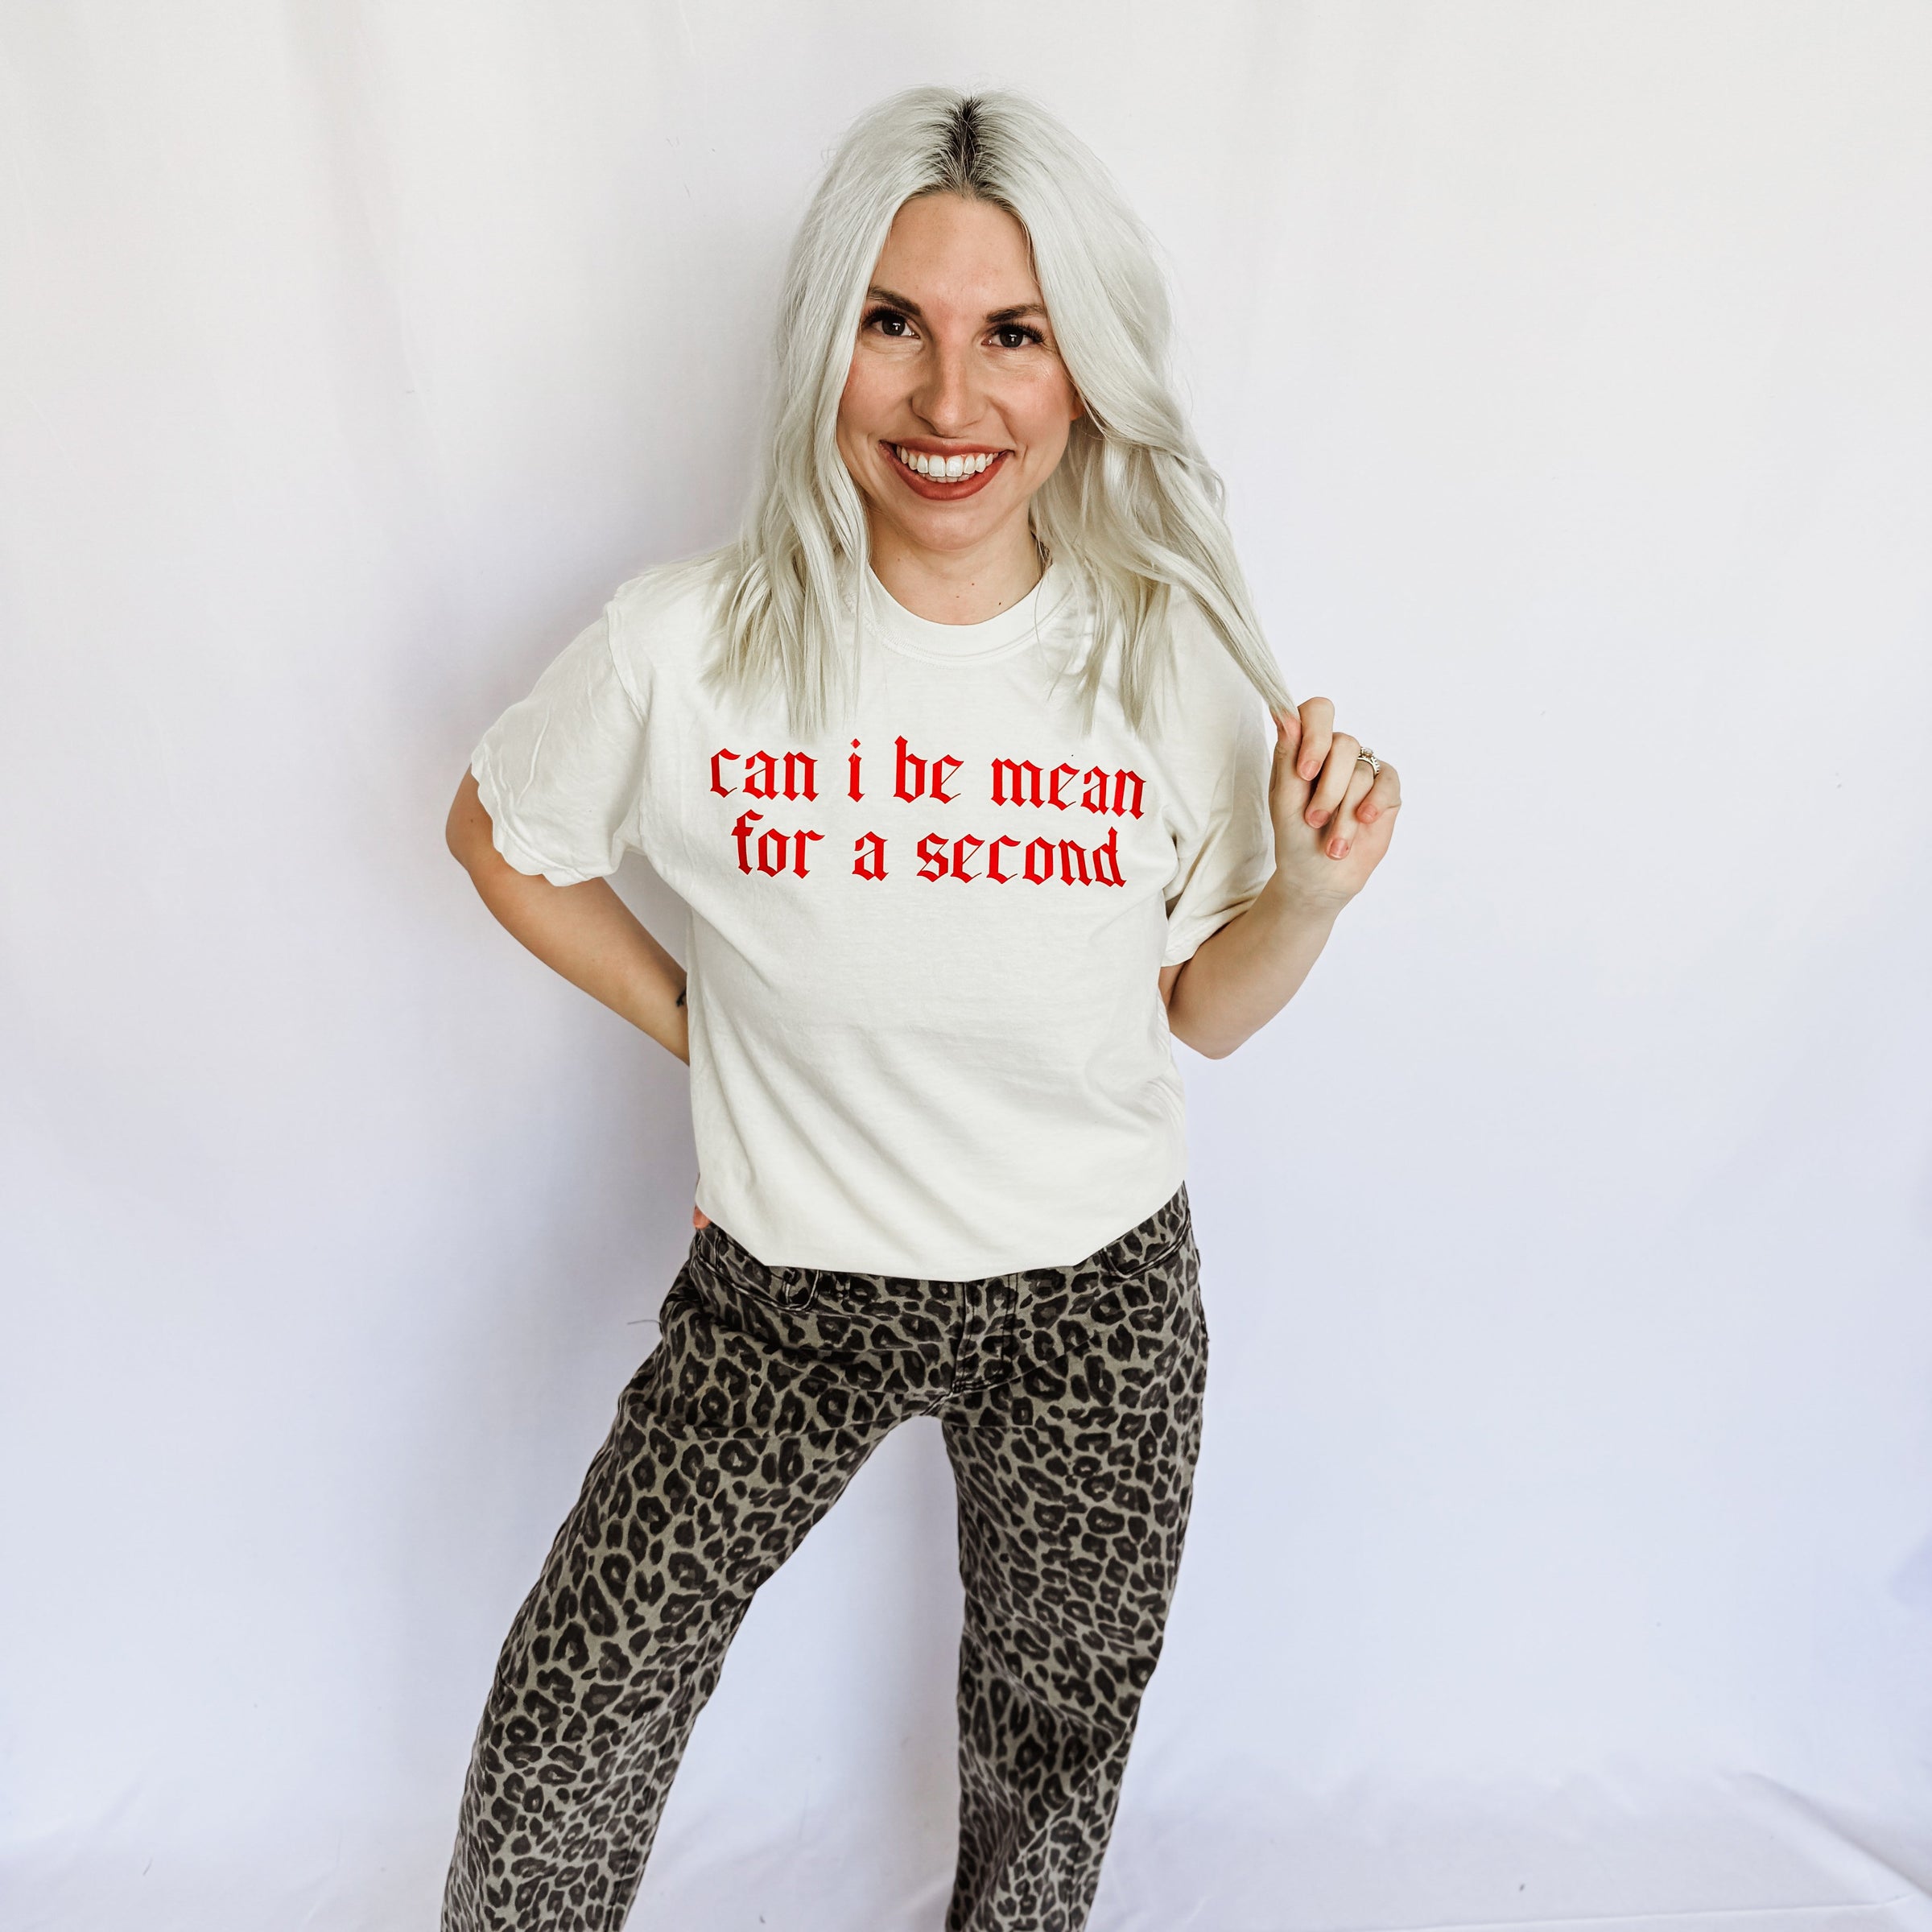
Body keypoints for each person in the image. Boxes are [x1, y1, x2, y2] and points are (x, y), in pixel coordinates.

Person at [439, 85, 1402, 1932]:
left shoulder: (1164, 656)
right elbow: (502, 834)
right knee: (578, 1715)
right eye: (896, 322)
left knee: (1051, 1747)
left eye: (1013, 334)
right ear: (829, 337)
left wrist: (1309, 894)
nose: (950, 401)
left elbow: (1202, 1014)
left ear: (1083, 370)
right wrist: (711, 1027)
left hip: (1095, 1306)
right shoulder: (683, 647)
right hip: (783, 1297)